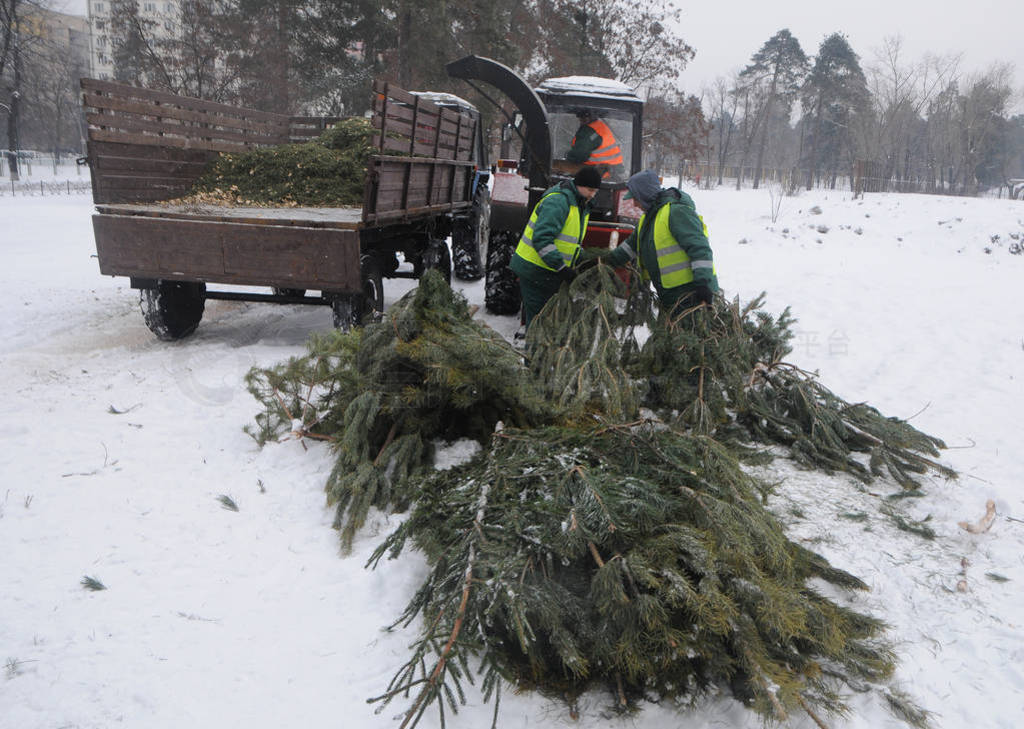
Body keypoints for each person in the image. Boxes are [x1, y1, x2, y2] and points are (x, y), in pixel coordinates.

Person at [602, 169, 718, 312]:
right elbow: (629, 248)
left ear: (645, 195)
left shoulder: (676, 212)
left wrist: (703, 284)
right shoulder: (647, 220)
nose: (634, 205)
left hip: (692, 295)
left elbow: (699, 247)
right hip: (670, 295)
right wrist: (603, 262)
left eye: (636, 199)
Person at [510, 166, 602, 329]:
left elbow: (569, 242)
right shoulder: (558, 202)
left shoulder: (580, 205)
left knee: (548, 322)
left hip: (548, 271)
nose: (593, 195)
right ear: (579, 184)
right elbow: (542, 240)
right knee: (539, 323)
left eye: (596, 191)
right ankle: (533, 353)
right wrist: (561, 267)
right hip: (535, 271)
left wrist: (584, 259)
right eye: (590, 190)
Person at [566, 110, 623, 179]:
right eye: (580, 117)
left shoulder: (589, 131)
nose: (581, 120)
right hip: (612, 172)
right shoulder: (600, 126)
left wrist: (569, 157)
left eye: (585, 117)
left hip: (598, 173)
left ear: (592, 117)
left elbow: (579, 154)